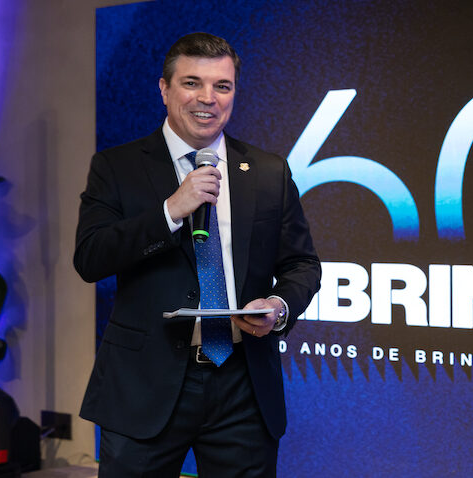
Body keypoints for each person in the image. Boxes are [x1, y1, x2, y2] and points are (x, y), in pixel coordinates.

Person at [74, 32, 320, 477]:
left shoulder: (268, 170)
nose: (208, 98)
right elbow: (90, 258)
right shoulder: (116, 167)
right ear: (164, 89)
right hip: (144, 383)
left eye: (222, 86)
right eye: (192, 83)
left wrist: (278, 306)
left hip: (243, 384)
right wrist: (170, 211)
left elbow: (301, 264)